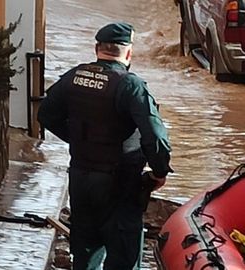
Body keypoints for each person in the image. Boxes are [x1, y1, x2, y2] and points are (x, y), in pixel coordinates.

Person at [38, 22, 173, 270]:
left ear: (97, 48)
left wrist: (79, 139)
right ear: (128, 53)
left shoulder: (74, 77)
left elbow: (45, 114)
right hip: (119, 183)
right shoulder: (130, 85)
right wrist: (159, 171)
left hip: (80, 178)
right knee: (123, 256)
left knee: (85, 253)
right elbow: (154, 134)